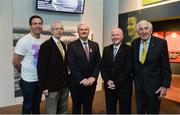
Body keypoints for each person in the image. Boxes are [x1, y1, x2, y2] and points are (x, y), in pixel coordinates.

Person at [131, 20, 172, 114]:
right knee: (139, 111)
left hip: (155, 87)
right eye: (140, 29)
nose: (143, 31)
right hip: (139, 86)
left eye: (146, 28)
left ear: (151, 30)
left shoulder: (161, 43)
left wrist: (165, 86)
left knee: (153, 111)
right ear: (137, 32)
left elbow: (166, 67)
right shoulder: (134, 44)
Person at [12, 15, 45, 114]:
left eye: (40, 23)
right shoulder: (24, 41)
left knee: (37, 104)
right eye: (35, 23)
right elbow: (15, 62)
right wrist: (24, 71)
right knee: (28, 104)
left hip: (40, 80)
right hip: (28, 81)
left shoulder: (44, 39)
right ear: (30, 26)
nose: (37, 26)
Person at [67, 21, 101, 114]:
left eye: (86, 29)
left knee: (88, 106)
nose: (84, 31)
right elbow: (71, 65)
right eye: (81, 30)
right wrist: (82, 79)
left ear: (88, 31)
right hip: (77, 83)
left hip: (91, 83)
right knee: (76, 107)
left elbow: (98, 62)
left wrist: (93, 77)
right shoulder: (71, 46)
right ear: (78, 31)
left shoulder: (95, 45)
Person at [37, 21, 69, 114]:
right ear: (52, 31)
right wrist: (44, 87)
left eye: (61, 29)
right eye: (56, 29)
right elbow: (41, 67)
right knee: (51, 111)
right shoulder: (45, 46)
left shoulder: (63, 44)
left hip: (64, 85)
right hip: (51, 87)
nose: (59, 31)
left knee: (63, 110)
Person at [101, 28, 133, 114]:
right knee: (110, 110)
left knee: (125, 110)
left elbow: (128, 69)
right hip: (109, 86)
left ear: (122, 36)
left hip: (124, 86)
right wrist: (107, 81)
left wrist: (116, 83)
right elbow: (103, 67)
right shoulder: (106, 49)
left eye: (117, 35)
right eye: (113, 35)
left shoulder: (129, 49)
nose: (115, 37)